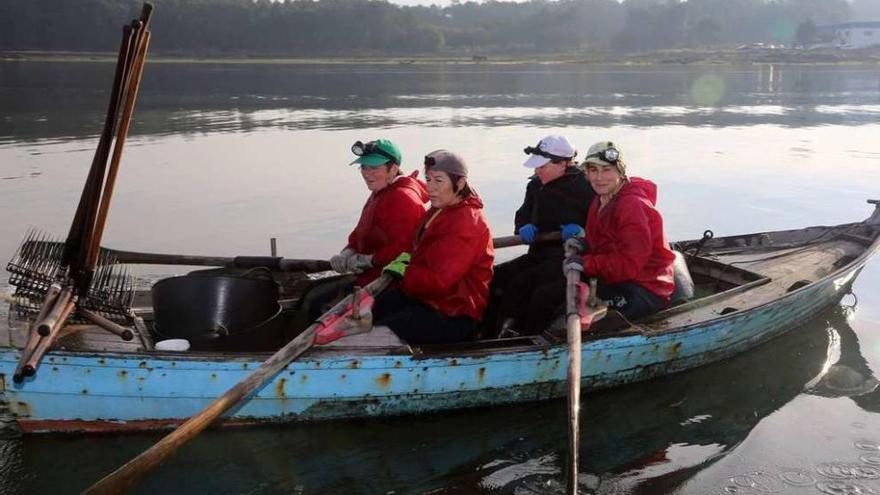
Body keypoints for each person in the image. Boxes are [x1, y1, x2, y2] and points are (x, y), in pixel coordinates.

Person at [371, 150, 494, 345]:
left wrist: (406, 273)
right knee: (373, 308)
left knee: (375, 337)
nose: (431, 188)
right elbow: (419, 250)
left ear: (460, 183)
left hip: (454, 313)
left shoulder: (466, 222)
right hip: (427, 300)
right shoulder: (440, 210)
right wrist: (406, 261)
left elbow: (438, 281)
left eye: (439, 181)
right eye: (428, 180)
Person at [301, 138, 428, 322]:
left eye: (374, 168)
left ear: (393, 169)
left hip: (390, 284)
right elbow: (360, 232)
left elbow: (404, 250)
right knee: (312, 295)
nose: (367, 174)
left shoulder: (403, 199)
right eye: (364, 167)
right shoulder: (380, 192)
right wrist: (347, 252)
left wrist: (367, 260)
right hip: (367, 278)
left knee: (318, 305)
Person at [488, 135, 594, 337]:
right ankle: (488, 332)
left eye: (542, 166)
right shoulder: (535, 185)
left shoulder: (585, 187)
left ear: (563, 163)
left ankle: (523, 337)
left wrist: (582, 233)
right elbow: (522, 216)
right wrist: (523, 227)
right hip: (539, 253)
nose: (536, 171)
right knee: (496, 277)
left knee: (526, 287)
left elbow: (600, 230)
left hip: (568, 259)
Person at [560, 141, 676, 325]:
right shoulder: (600, 200)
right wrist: (585, 244)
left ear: (620, 172)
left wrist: (586, 263)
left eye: (607, 170)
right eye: (593, 170)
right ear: (586, 173)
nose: (599, 178)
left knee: (591, 322)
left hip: (645, 287)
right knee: (552, 291)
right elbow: (606, 241)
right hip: (616, 277)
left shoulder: (632, 206)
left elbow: (629, 264)